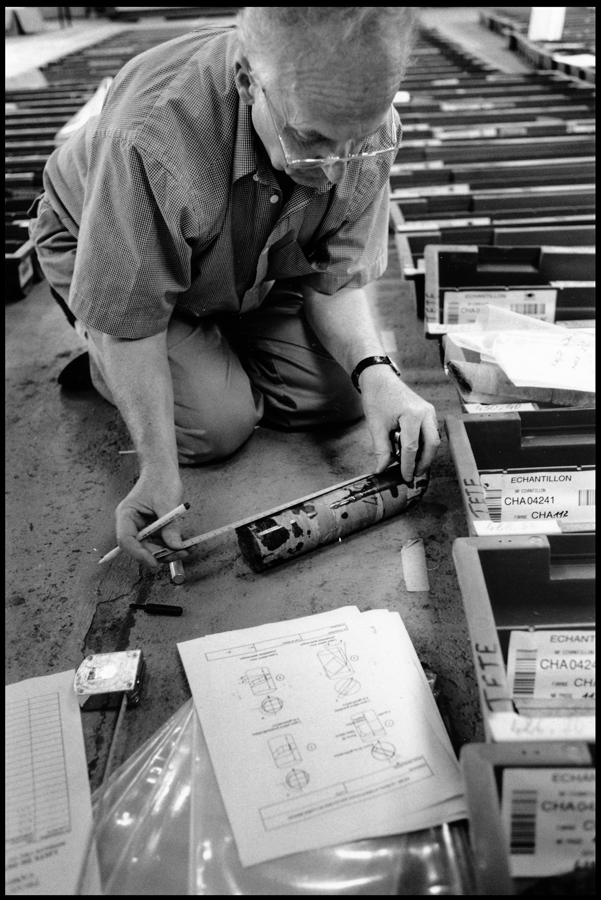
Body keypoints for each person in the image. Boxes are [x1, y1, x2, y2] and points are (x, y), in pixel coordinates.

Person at [29, 7, 440, 571]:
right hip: (106, 251)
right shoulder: (154, 139)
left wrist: (378, 372)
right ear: (249, 81)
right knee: (214, 426)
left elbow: (333, 281)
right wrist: (157, 469)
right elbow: (132, 317)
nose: (340, 171)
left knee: (347, 397)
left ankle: (209, 337)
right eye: (312, 139)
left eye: (359, 142)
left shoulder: (363, 127)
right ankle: (105, 350)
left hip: (244, 262)